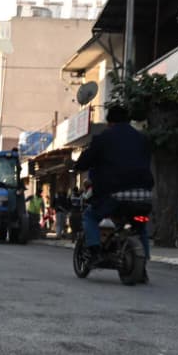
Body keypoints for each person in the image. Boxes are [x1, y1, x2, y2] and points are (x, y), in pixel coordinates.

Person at [73, 103, 154, 262]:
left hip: (114, 194)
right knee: (140, 227)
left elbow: (84, 162)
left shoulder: (103, 139)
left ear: (109, 122)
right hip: (144, 194)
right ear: (128, 121)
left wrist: (77, 166)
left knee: (90, 216)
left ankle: (95, 252)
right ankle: (143, 263)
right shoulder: (143, 139)